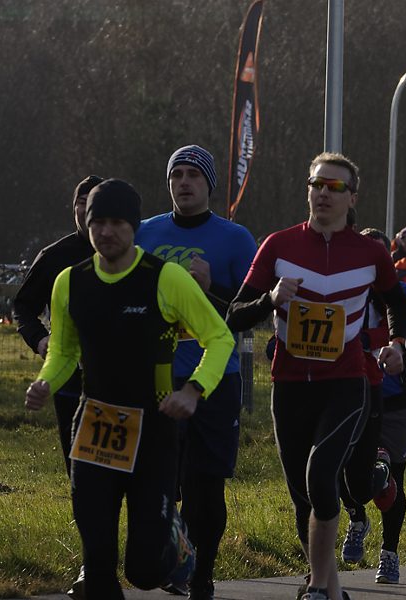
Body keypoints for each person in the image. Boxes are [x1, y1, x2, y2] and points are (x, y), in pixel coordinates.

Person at [24, 179, 232, 600]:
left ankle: (175, 542)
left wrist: (193, 391)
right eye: (97, 222)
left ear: (134, 226)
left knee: (144, 569)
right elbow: (64, 351)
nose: (106, 232)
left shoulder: (165, 278)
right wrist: (46, 382)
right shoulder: (70, 281)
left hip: (153, 430)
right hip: (94, 427)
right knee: (97, 561)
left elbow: (219, 338)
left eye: (117, 222)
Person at [226, 153, 406, 600]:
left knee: (321, 474)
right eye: (317, 184)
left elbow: (396, 302)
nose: (324, 193)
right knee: (302, 496)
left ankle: (318, 586)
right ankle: (328, 584)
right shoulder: (278, 246)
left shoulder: (370, 253)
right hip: (290, 386)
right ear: (308, 190)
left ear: (352, 197)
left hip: (345, 383)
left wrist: (397, 343)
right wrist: (271, 299)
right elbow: (234, 314)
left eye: (335, 186)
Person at [135, 145, 256, 600]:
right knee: (159, 480)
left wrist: (213, 289)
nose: (184, 182)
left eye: (193, 175)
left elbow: (251, 311)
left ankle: (201, 573)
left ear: (209, 184)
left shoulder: (235, 239)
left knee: (206, 486)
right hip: (157, 378)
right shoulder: (145, 233)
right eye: (177, 174)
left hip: (214, 378)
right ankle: (173, 555)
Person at [13, 175, 103, 472]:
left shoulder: (130, 253)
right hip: (69, 377)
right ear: (73, 208)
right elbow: (23, 305)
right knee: (78, 465)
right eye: (81, 202)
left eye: (95, 201)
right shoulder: (54, 257)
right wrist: (39, 339)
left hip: (118, 378)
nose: (87, 209)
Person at [354, 228, 406, 585]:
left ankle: (389, 553)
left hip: (393, 401)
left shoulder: (403, 294)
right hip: (350, 397)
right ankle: (356, 517)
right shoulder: (345, 293)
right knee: (341, 473)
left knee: (391, 480)